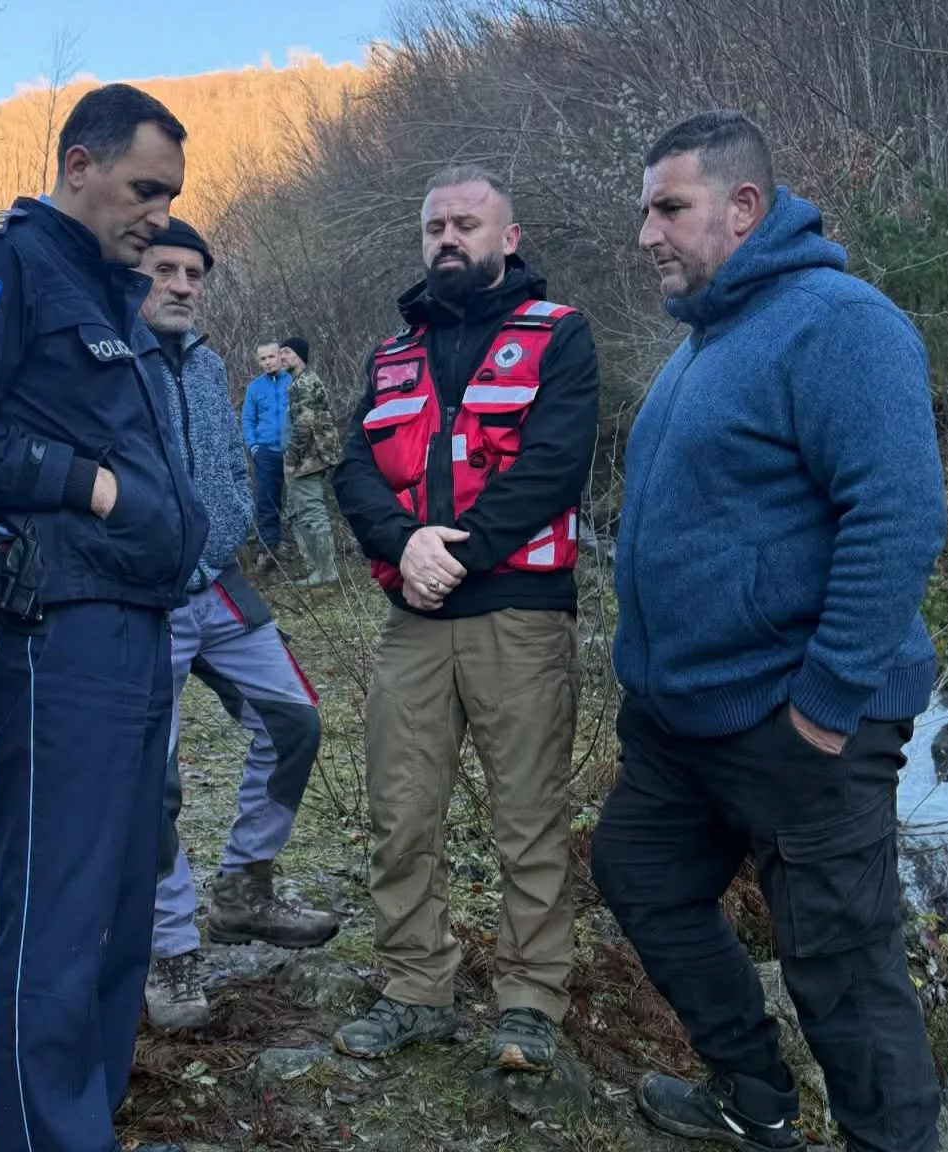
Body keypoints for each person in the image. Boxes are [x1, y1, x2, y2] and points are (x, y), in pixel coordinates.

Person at [590, 111, 946, 1152]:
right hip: (684, 725)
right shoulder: (705, 344)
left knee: (842, 970)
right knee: (639, 874)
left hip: (801, 720)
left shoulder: (841, 323)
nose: (648, 233)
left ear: (743, 209)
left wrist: (825, 709)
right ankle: (755, 1096)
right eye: (645, 210)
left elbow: (898, 515)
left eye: (670, 208)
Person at [0, 84, 206, 1152]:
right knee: (62, 906)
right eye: (143, 189)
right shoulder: (3, 270)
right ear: (80, 164)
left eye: (170, 196)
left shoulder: (111, 291)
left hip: (135, 619)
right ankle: (48, 1136)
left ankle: (89, 1116)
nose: (158, 214)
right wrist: (86, 483)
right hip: (57, 626)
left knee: (125, 891)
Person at [331, 166, 599, 1067]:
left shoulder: (558, 336)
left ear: (508, 238)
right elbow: (353, 468)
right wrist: (405, 544)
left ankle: (530, 999)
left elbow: (555, 463)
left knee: (528, 817)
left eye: (467, 224)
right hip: (414, 616)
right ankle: (416, 988)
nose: (449, 238)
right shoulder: (390, 353)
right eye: (435, 227)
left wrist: (459, 551)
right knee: (401, 811)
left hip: (518, 612)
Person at [134, 219, 337, 1032]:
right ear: (131, 271)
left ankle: (245, 889)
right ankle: (172, 948)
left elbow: (223, 473)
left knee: (296, 722)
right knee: (153, 778)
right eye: (166, 270)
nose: (184, 285)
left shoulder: (212, 363)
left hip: (215, 583)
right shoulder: (106, 359)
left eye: (195, 273)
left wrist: (216, 543)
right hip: (140, 600)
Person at [281, 337, 341, 587]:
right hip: (311, 458)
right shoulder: (300, 382)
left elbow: (304, 424)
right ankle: (316, 569)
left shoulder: (303, 384)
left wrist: (292, 458)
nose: (282, 357)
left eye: (286, 352)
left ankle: (325, 572)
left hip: (309, 460)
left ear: (299, 355)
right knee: (300, 512)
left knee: (313, 514)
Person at [241, 342, 291, 575]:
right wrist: (254, 446)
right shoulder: (254, 388)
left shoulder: (293, 380)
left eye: (272, 356)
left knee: (300, 500)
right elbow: (248, 420)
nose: (268, 361)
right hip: (266, 452)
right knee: (266, 501)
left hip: (294, 451)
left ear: (281, 356)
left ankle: (307, 553)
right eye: (263, 359)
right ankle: (269, 550)